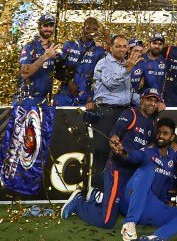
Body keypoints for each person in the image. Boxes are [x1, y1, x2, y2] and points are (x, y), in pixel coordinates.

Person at [61, 89, 161, 227]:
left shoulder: (153, 122)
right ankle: (79, 202)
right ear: (142, 100)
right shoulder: (131, 114)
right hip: (118, 170)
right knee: (107, 221)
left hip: (134, 174)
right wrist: (114, 142)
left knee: (139, 213)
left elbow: (153, 143)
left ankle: (97, 198)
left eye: (155, 101)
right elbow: (115, 133)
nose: (152, 104)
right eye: (149, 100)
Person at [119, 118, 177, 241]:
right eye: (159, 132)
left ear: (172, 137)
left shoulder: (173, 156)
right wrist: (123, 152)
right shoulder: (148, 151)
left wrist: (166, 200)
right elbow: (135, 156)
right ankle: (129, 224)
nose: (161, 136)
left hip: (149, 206)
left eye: (165, 133)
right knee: (148, 169)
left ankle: (155, 238)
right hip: (130, 201)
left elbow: (169, 182)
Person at [90, 35, 143, 182]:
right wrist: (128, 69)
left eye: (125, 46)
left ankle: (116, 188)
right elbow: (111, 83)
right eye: (118, 46)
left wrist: (145, 102)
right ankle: (98, 189)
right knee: (103, 151)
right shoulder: (103, 63)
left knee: (121, 151)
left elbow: (128, 92)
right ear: (111, 47)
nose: (122, 49)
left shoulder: (126, 64)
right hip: (106, 112)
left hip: (124, 112)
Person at [52, 17, 105, 107]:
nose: (91, 31)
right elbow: (58, 67)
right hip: (65, 94)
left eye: (94, 29)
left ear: (97, 33)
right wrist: (69, 81)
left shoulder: (99, 51)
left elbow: (100, 76)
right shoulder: (69, 45)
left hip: (86, 96)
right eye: (88, 28)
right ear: (82, 28)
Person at [17, 14, 60, 104]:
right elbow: (24, 74)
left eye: (51, 26)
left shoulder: (53, 48)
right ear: (39, 27)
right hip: (27, 99)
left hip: (44, 99)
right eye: (45, 25)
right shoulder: (29, 47)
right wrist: (45, 57)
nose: (48, 29)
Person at [139, 33, 168, 97]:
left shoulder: (165, 61)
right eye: (154, 43)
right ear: (149, 43)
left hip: (158, 99)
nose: (157, 46)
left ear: (163, 46)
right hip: (142, 98)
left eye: (160, 44)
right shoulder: (141, 59)